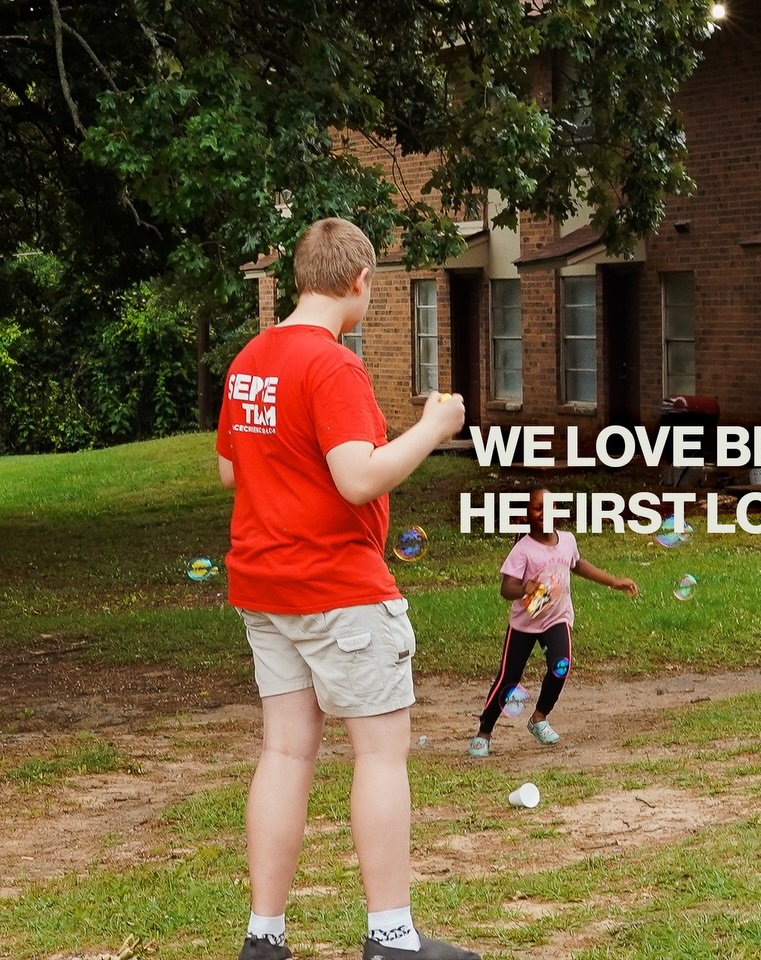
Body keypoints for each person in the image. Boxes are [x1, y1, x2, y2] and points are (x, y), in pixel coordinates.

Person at [217, 217, 479, 960]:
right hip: (338, 586)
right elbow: (358, 475)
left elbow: (233, 471)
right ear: (361, 283)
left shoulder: (250, 360)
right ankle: (392, 938)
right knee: (379, 754)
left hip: (265, 588)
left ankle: (264, 940)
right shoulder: (333, 366)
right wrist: (437, 425)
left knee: (286, 753)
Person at [468, 487, 638, 757]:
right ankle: (484, 733)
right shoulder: (523, 549)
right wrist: (524, 588)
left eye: (550, 507)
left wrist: (614, 582)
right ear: (527, 514)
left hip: (557, 618)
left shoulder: (567, 540)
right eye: (538, 508)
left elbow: (578, 564)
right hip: (524, 624)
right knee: (508, 679)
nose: (544, 514)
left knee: (561, 666)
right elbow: (506, 589)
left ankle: (538, 718)